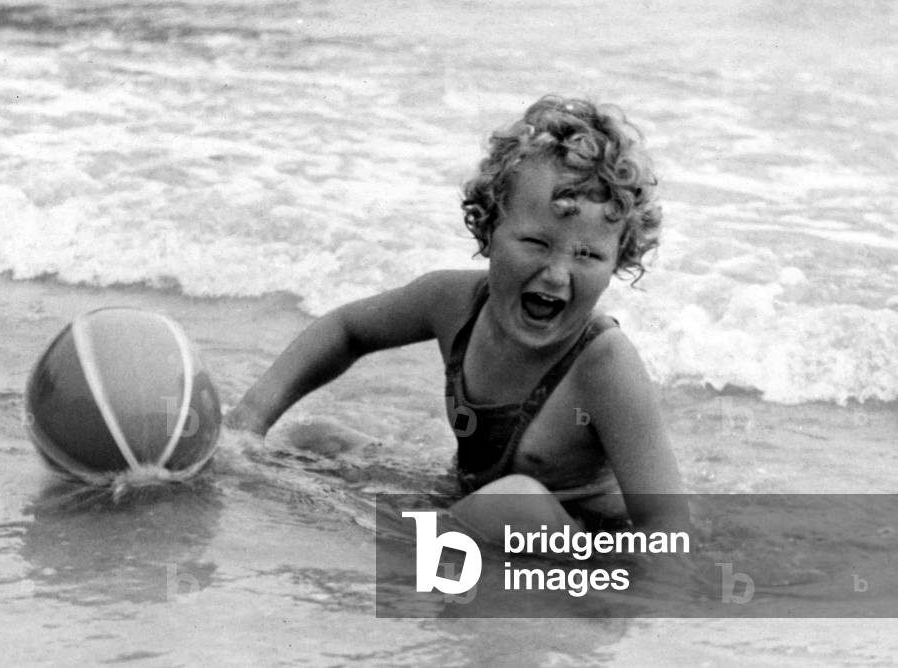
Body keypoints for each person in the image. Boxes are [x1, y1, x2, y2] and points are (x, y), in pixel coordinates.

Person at [226, 95, 686, 540]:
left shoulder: (604, 363)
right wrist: (248, 421)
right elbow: (347, 331)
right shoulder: (453, 303)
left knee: (515, 501)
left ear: (618, 260)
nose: (557, 274)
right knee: (312, 436)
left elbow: (668, 530)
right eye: (536, 243)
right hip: (474, 507)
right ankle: (410, 535)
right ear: (489, 229)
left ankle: (403, 544)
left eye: (588, 254)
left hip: (577, 552)